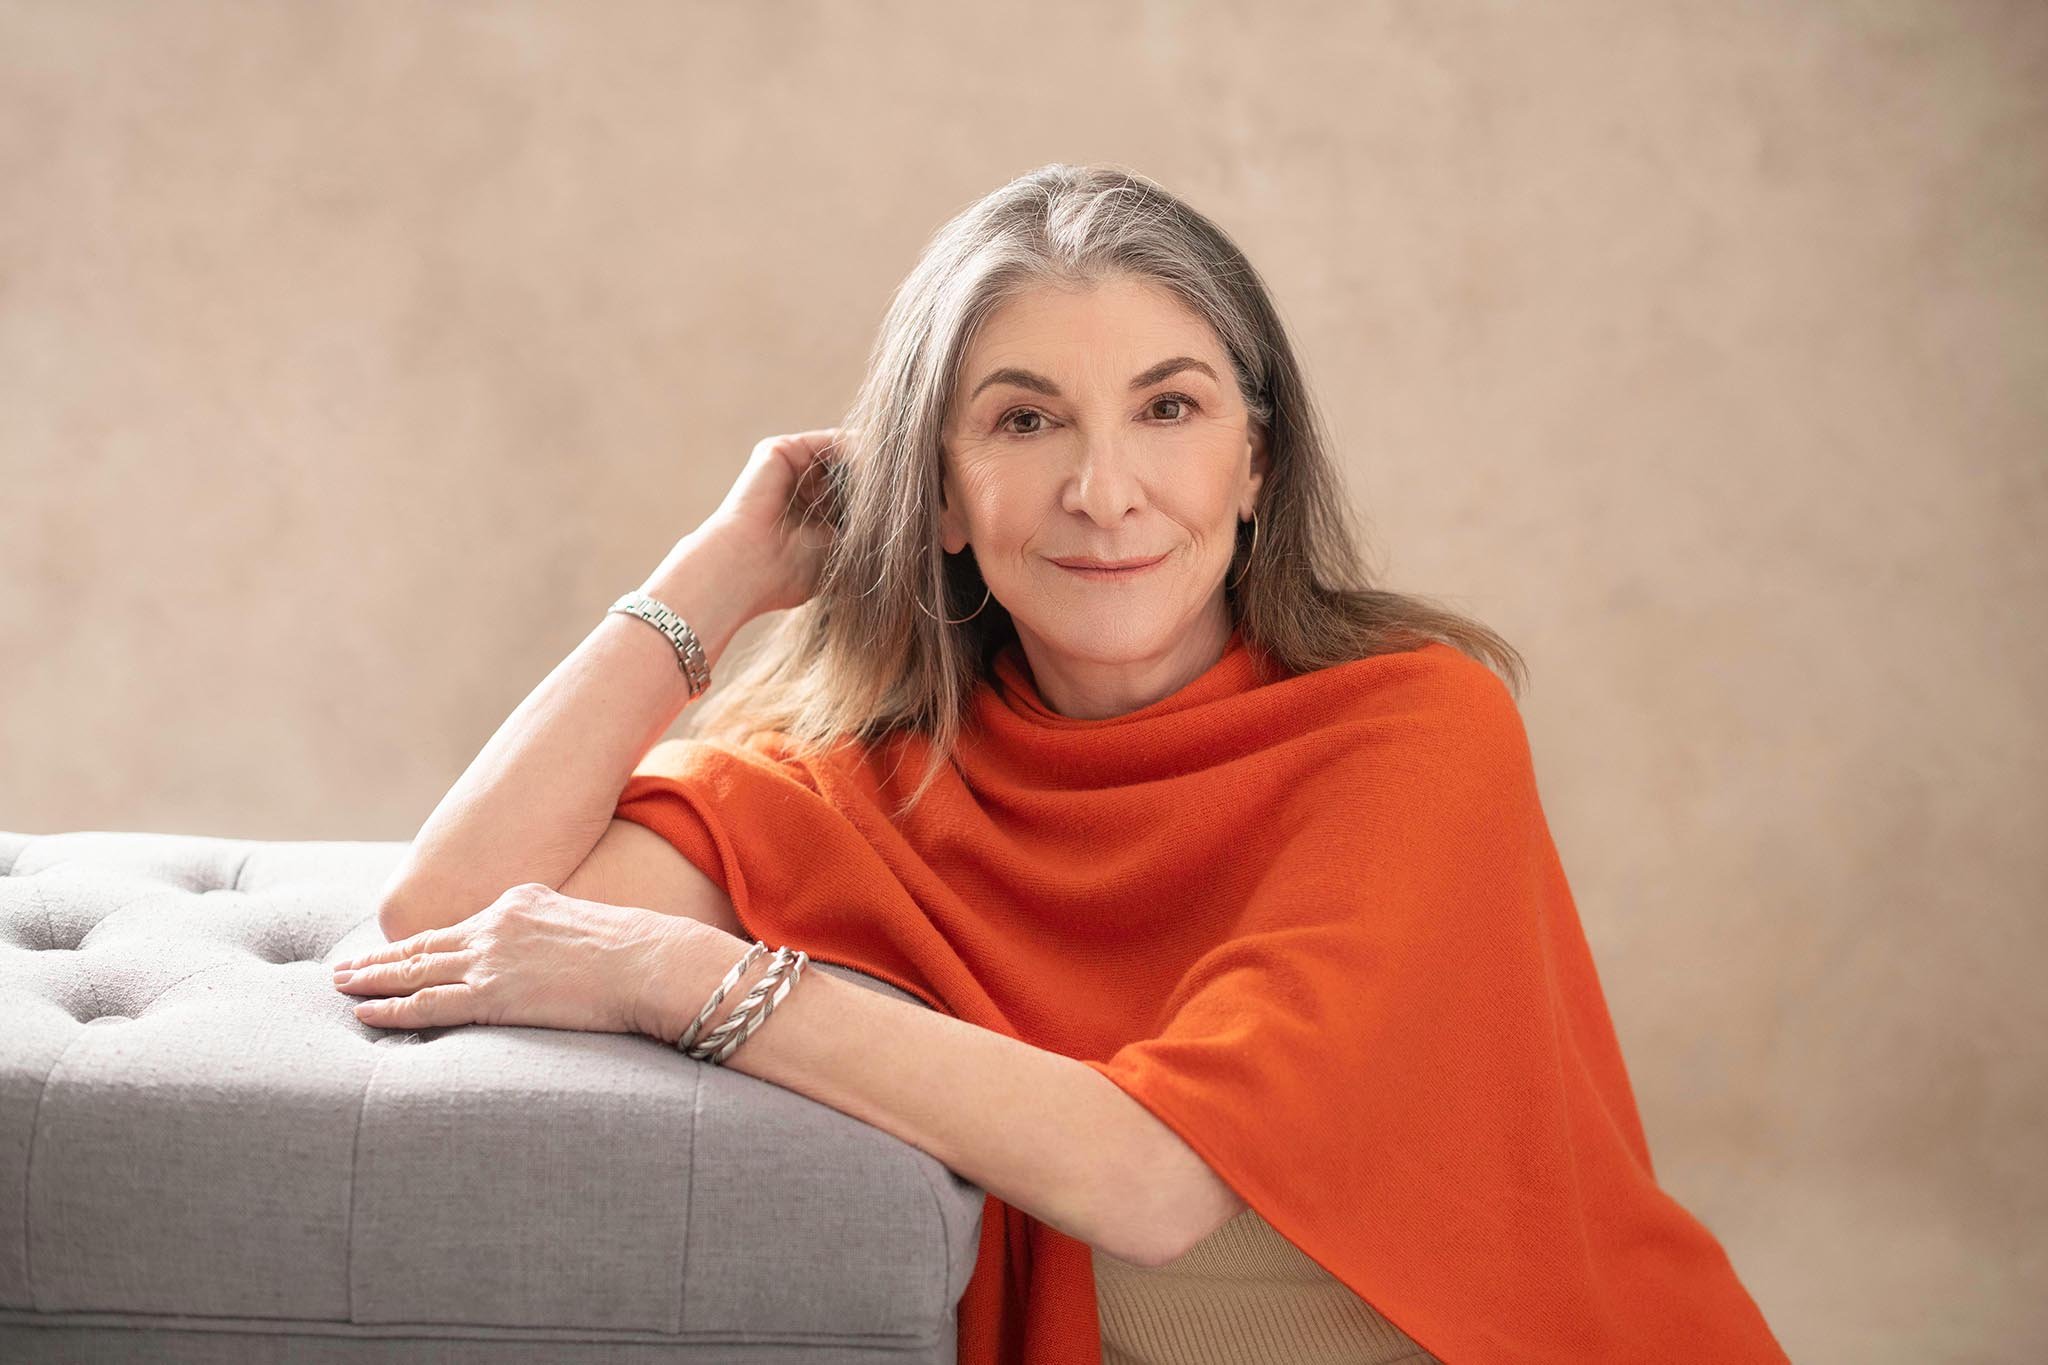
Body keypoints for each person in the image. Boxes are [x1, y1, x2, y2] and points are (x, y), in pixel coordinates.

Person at [341, 163, 1791, 1364]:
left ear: (1255, 465)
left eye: (1170, 408)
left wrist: (685, 981)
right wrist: (719, 571)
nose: (1103, 492)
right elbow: (449, 914)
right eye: (1025, 421)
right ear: (942, 495)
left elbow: (1153, 1181)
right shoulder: (869, 781)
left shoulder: (1415, 730)